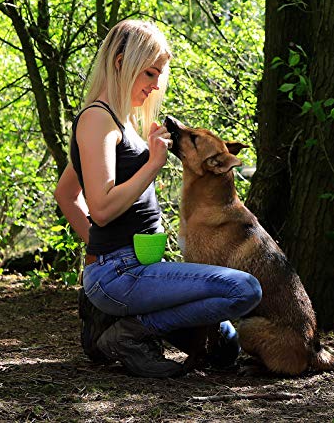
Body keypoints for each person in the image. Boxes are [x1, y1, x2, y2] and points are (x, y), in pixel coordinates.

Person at [54, 19, 262, 378]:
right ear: (121, 63)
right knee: (243, 289)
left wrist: (100, 246)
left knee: (226, 345)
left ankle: (126, 324)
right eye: (150, 74)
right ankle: (129, 334)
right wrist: (152, 164)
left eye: (159, 76)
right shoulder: (96, 121)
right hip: (121, 273)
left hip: (138, 266)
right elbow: (100, 209)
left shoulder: (122, 120)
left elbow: (66, 194)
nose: (155, 86)